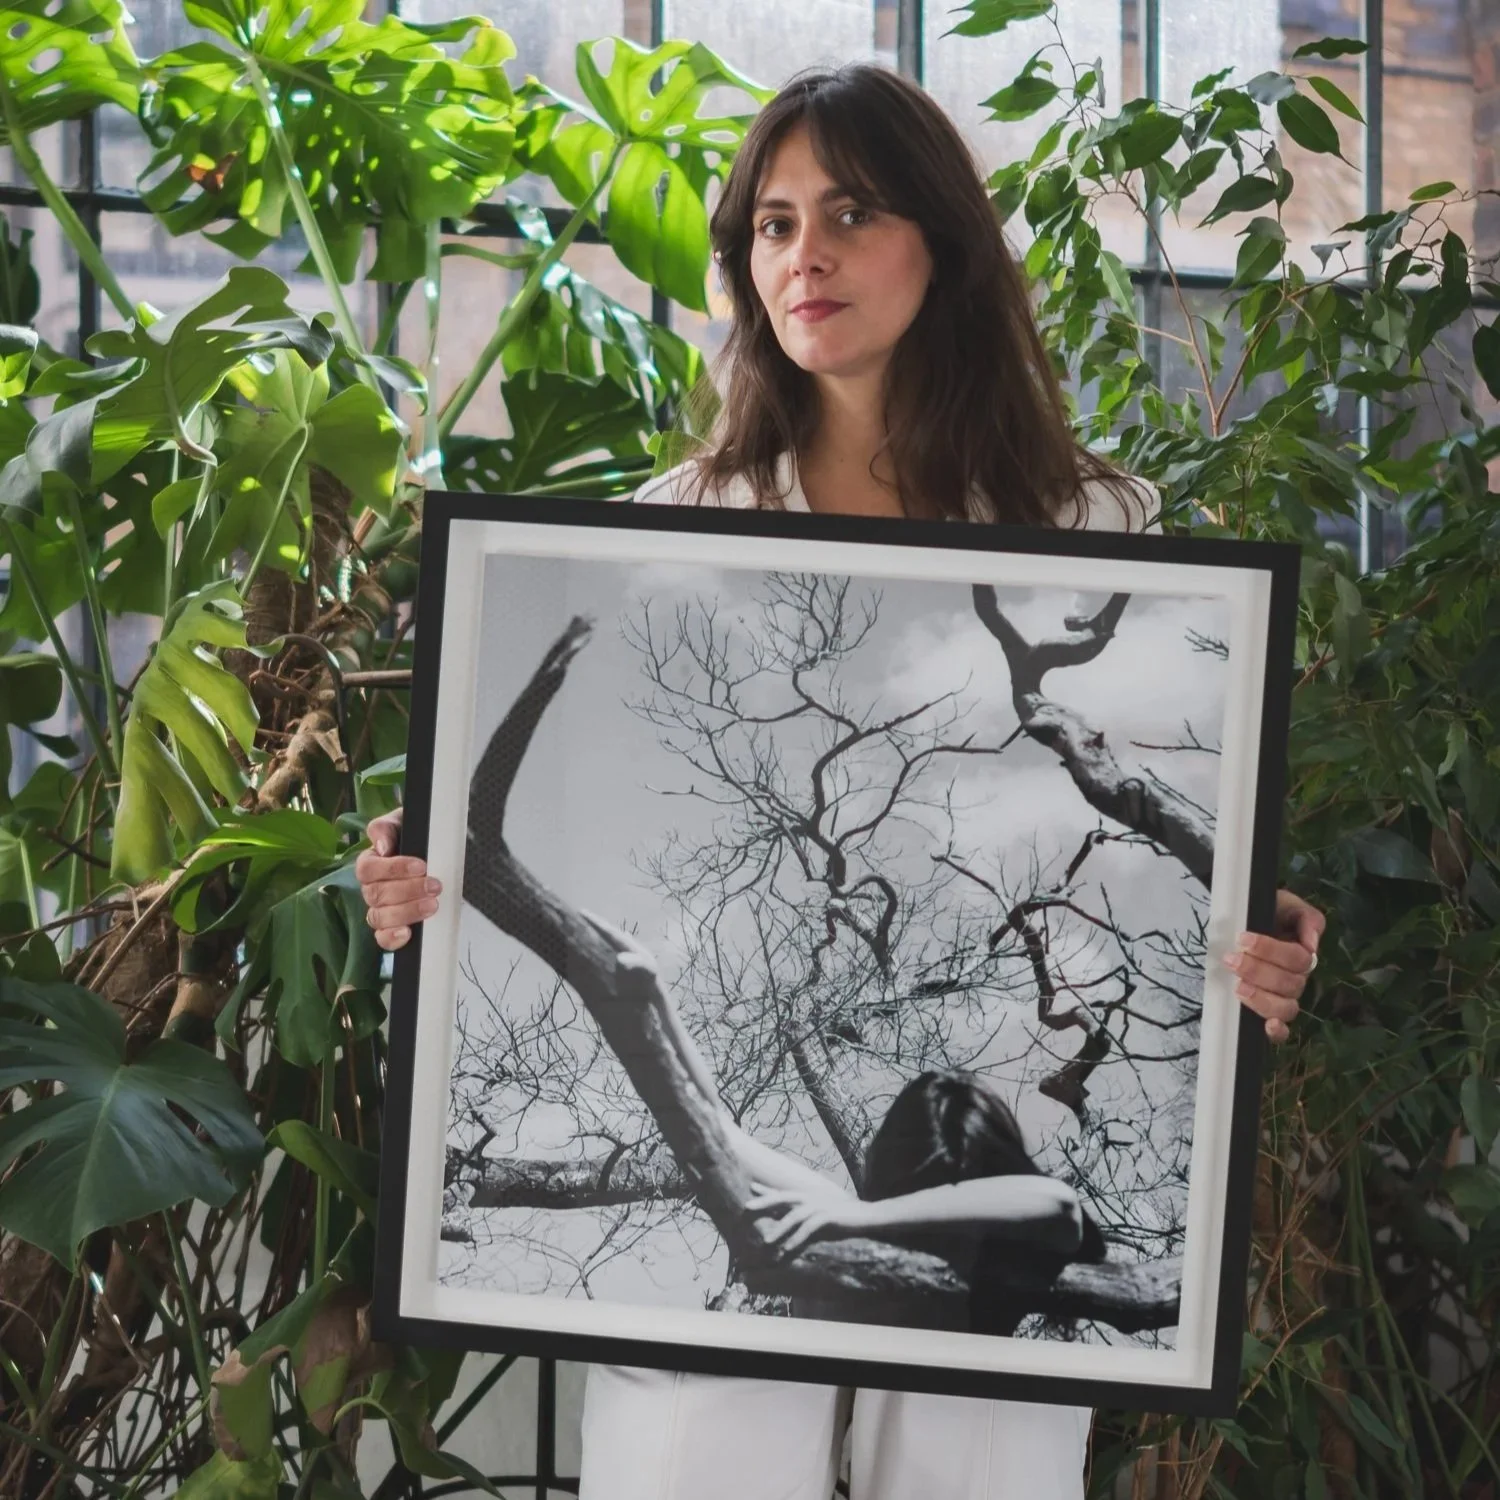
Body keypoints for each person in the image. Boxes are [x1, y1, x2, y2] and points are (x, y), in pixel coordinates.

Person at [355, 61, 1324, 1500]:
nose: (801, 255)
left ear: (941, 238)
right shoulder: (676, 528)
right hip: (728, 1311)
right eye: (771, 222)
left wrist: (1249, 938)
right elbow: (587, 826)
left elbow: (1161, 839)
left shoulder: (1099, 523)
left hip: (985, 1330)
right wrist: (423, 879)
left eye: (851, 212)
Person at [579, 911, 1109, 1339]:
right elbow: (714, 1126)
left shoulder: (994, 1260)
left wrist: (862, 1221)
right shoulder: (841, 1217)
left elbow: (1058, 1206)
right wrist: (657, 1001)